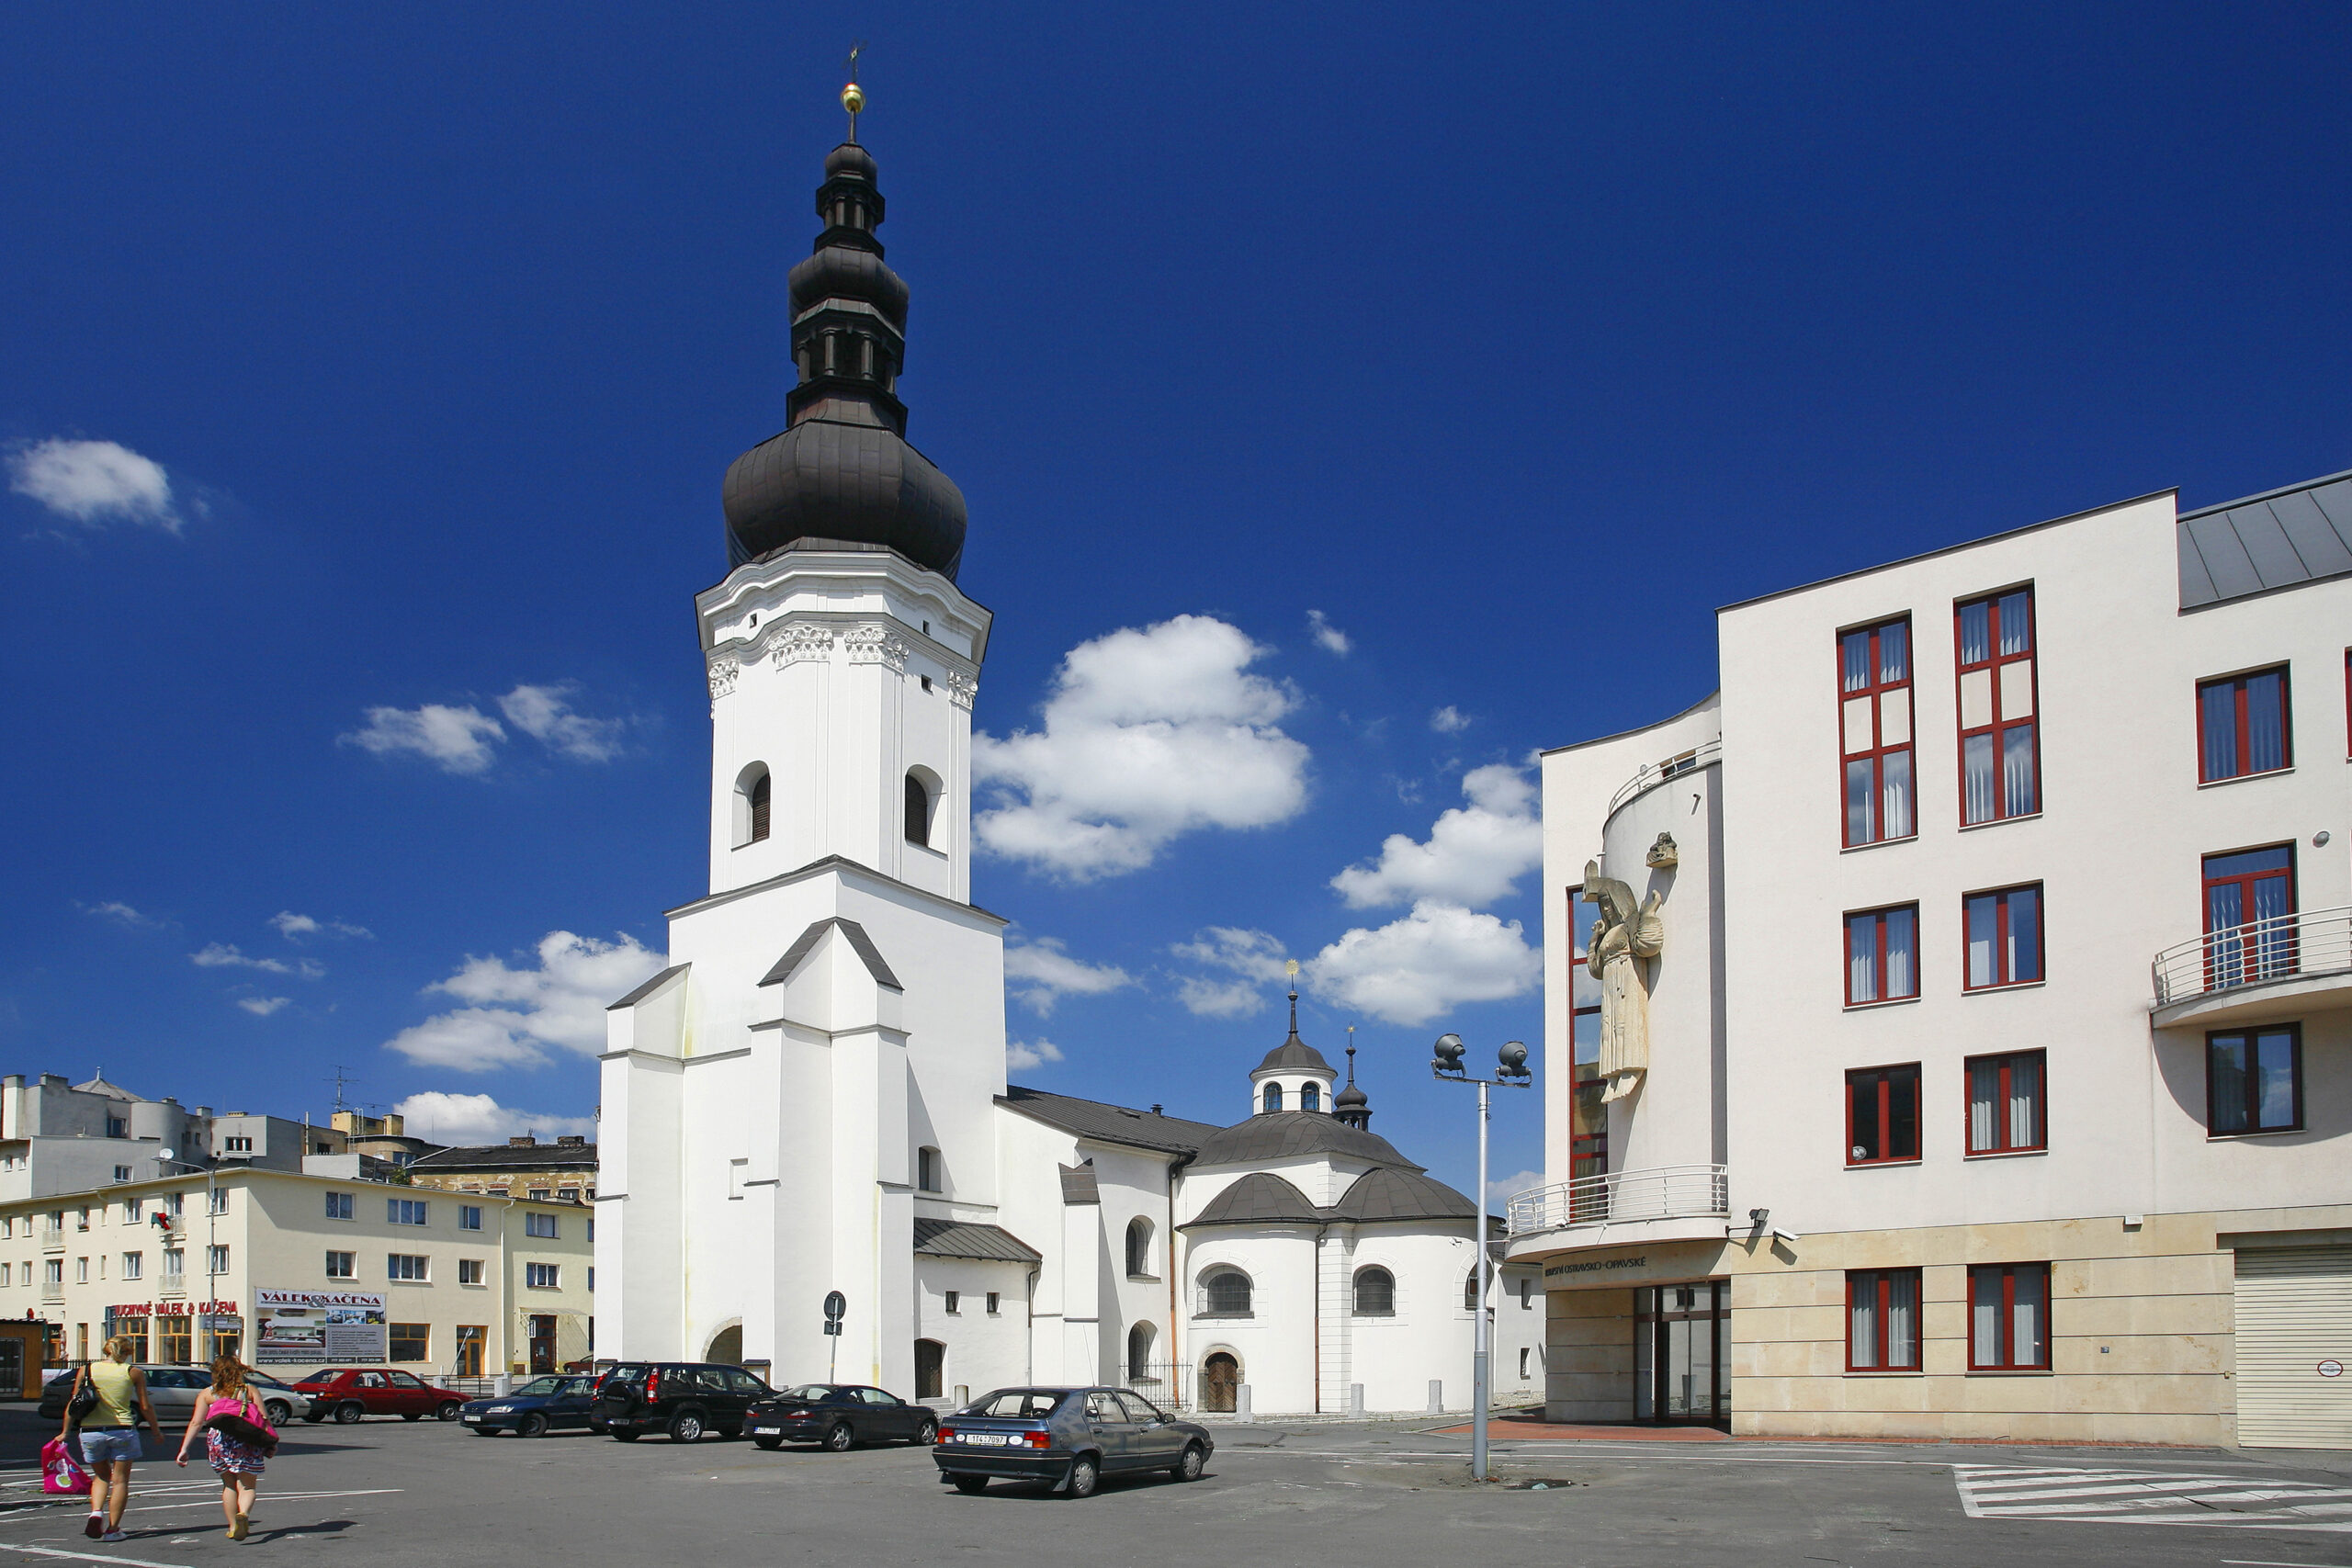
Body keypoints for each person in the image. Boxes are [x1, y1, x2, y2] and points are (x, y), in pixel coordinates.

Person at [62, 1337, 159, 1542]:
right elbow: (144, 1406)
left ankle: (96, 1512)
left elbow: (74, 1403)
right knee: (121, 1479)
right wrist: (155, 1430)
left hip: (90, 1431)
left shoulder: (87, 1370)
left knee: (101, 1476)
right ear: (127, 1352)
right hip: (122, 1429)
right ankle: (113, 1530)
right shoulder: (132, 1372)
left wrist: (65, 1431)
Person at [176, 1354, 272, 1540]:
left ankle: (233, 1526)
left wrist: (184, 1449)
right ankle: (243, 1513)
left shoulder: (207, 1393)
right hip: (247, 1440)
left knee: (228, 1485)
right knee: (247, 1486)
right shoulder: (249, 1390)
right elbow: (264, 1418)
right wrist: (271, 1443)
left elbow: (196, 1422)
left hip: (219, 1441)